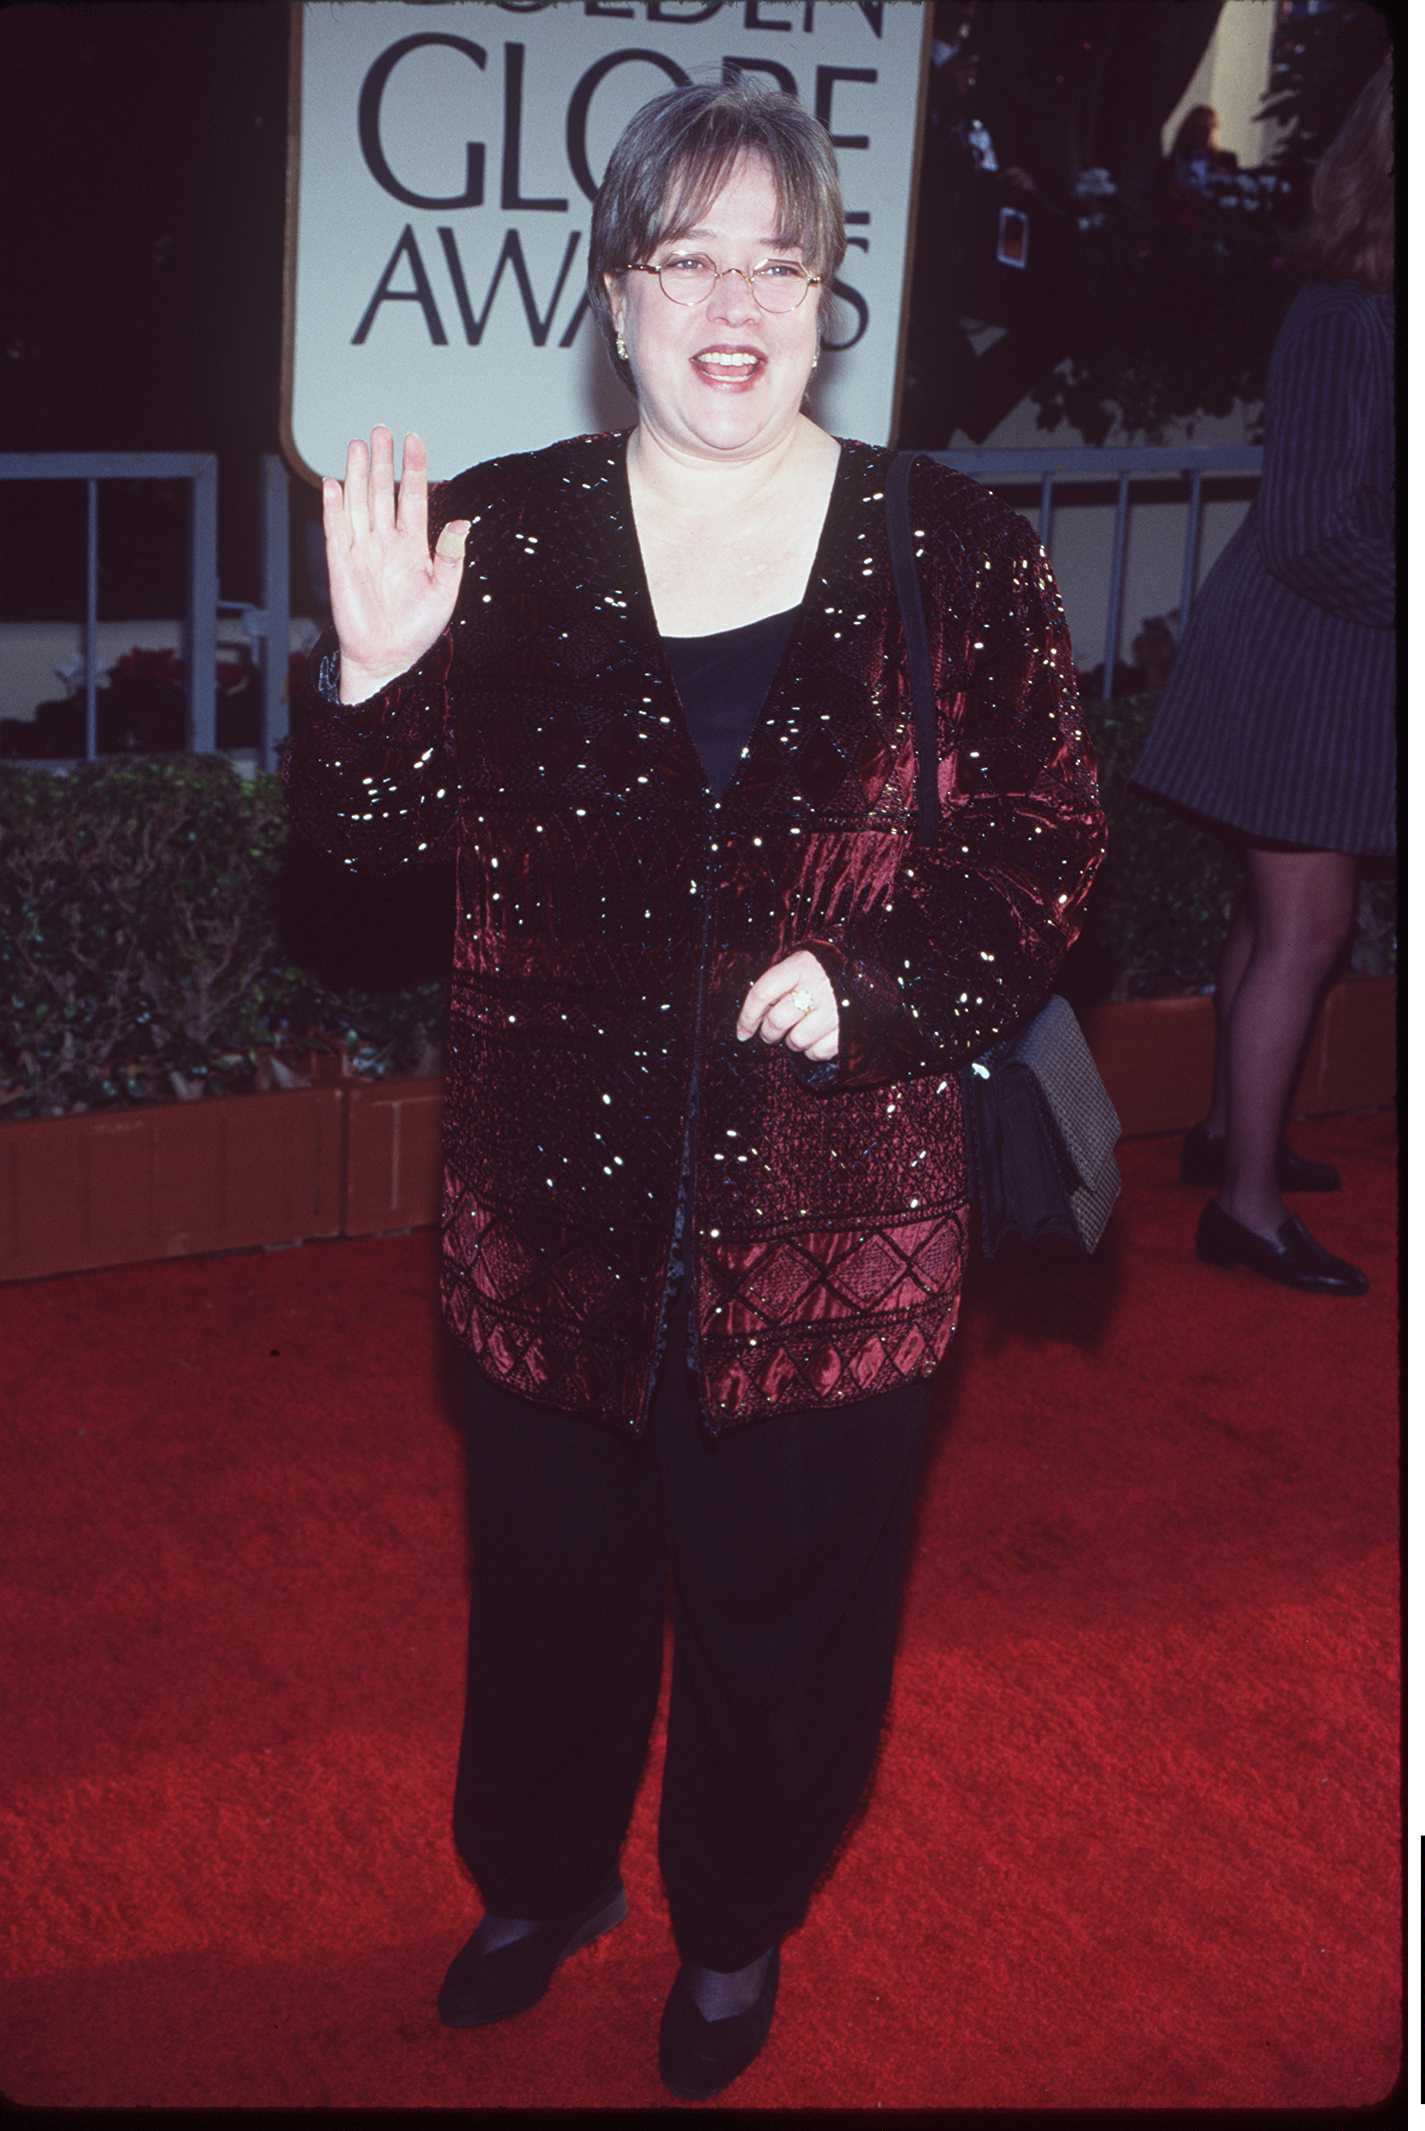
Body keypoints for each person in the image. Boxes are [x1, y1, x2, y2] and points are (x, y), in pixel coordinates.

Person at [281, 78, 1106, 2102]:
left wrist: (896, 983)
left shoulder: (950, 544)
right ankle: (540, 1881)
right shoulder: (499, 538)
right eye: (686, 257)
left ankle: (730, 1921)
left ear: (828, 299)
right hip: (543, 1226)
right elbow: (358, 921)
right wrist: (371, 699)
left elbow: (1041, 839)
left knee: (787, 1617)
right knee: (549, 1592)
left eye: (777, 260)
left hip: (837, 1230)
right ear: (616, 293)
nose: (731, 302)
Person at [1129, 57, 1394, 1296]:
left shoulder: (1373, 306)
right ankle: (1246, 1208)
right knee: (1310, 925)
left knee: (1268, 917)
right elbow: (1313, 532)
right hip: (1305, 654)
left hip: (1308, 649)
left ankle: (1232, 1135)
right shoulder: (1351, 314)